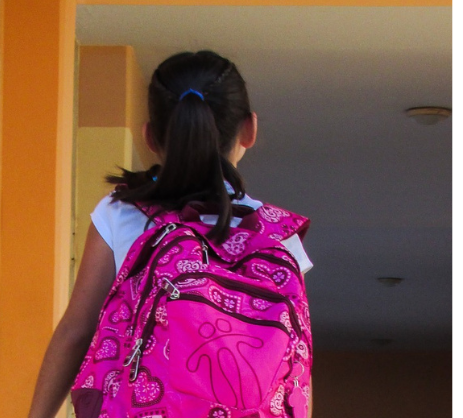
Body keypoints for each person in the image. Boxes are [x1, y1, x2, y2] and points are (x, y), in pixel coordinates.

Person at [28, 50, 313, 418]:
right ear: (250, 129)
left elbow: (76, 332)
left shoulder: (122, 213)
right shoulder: (278, 234)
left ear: (150, 136)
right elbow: (296, 363)